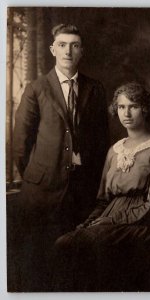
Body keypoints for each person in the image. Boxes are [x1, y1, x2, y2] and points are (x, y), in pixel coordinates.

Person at [12, 24, 109, 291]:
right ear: (53, 49)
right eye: (63, 45)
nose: (68, 50)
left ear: (82, 52)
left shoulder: (94, 89)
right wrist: (40, 174)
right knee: (39, 260)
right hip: (42, 191)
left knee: (76, 263)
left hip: (82, 191)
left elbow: (102, 141)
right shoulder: (37, 88)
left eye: (74, 45)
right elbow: (21, 143)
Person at [53, 81, 150, 292]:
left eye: (133, 106)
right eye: (121, 107)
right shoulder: (114, 150)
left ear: (144, 109)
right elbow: (103, 199)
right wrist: (90, 222)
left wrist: (112, 220)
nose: (126, 113)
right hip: (109, 216)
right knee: (65, 242)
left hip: (141, 222)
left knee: (89, 247)